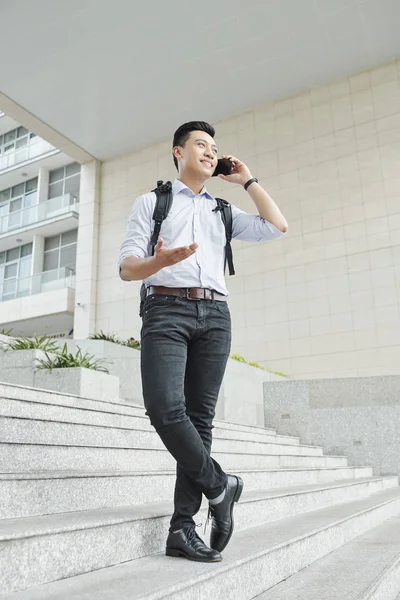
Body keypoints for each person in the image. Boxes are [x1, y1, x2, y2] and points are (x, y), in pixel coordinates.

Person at [118, 121, 288, 563]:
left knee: (200, 420)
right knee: (164, 409)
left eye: (214, 147)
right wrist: (158, 261)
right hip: (166, 310)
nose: (210, 152)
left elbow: (277, 226)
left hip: (215, 315)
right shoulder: (152, 202)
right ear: (178, 152)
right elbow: (127, 268)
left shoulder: (223, 211)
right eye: (200, 145)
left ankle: (181, 528)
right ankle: (220, 486)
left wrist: (247, 180)